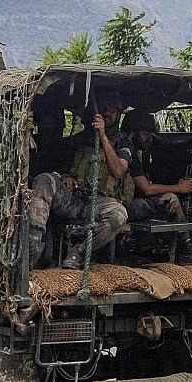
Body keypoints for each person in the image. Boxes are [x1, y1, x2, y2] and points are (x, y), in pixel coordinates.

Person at [27, 98, 130, 269]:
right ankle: (32, 246)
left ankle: (78, 253)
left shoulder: (123, 143)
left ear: (119, 114)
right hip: (73, 198)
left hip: (99, 201)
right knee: (44, 180)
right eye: (105, 108)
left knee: (118, 215)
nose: (108, 112)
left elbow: (118, 170)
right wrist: (64, 175)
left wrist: (103, 136)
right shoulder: (78, 140)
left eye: (114, 109)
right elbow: (56, 166)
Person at [122, 111, 192, 263]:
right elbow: (146, 188)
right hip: (124, 206)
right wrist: (179, 188)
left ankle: (183, 243)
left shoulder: (137, 151)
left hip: (125, 203)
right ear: (133, 132)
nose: (149, 137)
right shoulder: (127, 150)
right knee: (172, 200)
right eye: (145, 133)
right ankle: (188, 248)